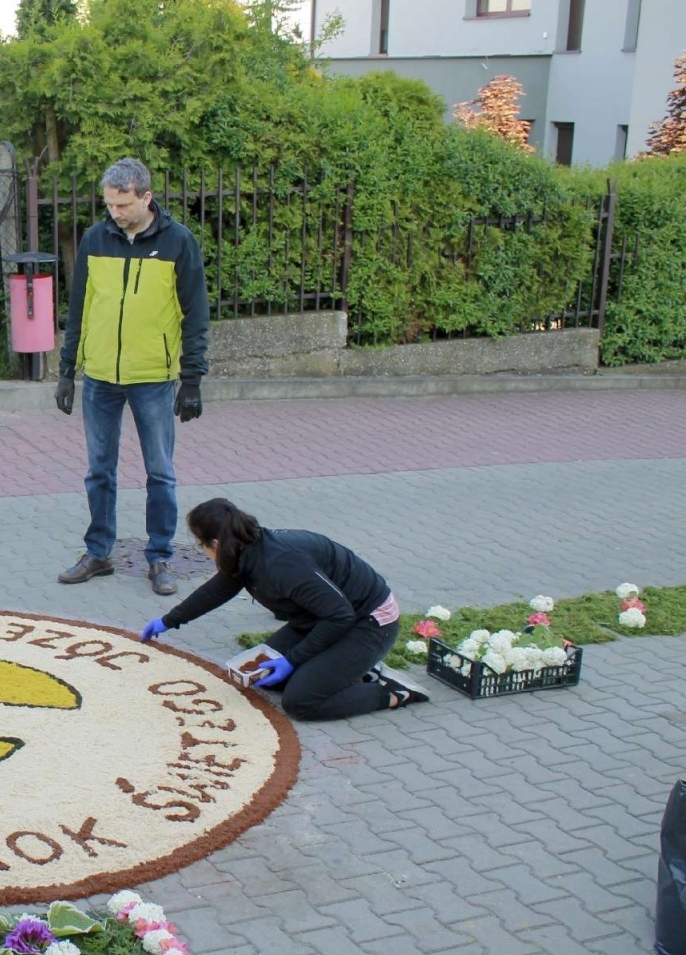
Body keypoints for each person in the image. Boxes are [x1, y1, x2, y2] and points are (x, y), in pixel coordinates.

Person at [55, 157, 210, 597]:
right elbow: (79, 306)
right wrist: (67, 370)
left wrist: (193, 378)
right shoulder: (95, 238)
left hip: (153, 377)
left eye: (123, 205)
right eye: (109, 205)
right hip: (101, 375)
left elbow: (195, 314)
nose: (115, 213)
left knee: (160, 471)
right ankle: (98, 552)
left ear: (146, 197)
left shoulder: (178, 242)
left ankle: (160, 556)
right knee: (98, 470)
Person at [140, 498, 429, 720]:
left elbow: (340, 615)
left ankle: (393, 692)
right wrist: (169, 621)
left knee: (302, 701)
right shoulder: (243, 548)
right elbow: (218, 590)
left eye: (199, 544)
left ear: (215, 543)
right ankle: (353, 668)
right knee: (264, 676)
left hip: (368, 622)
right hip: (322, 619)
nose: (200, 549)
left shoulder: (280, 564)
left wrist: (293, 659)